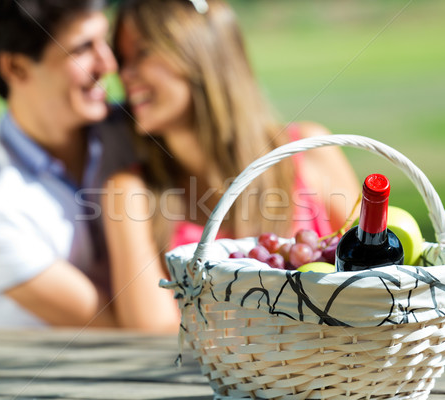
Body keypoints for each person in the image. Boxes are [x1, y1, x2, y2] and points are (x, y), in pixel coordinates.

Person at [101, 0, 360, 317]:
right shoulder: (132, 192)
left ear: (201, 54)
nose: (124, 75)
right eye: (122, 59)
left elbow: (380, 281)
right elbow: (152, 333)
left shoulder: (309, 151)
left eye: (142, 53)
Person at [0, 0, 178, 331]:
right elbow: (120, 334)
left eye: (104, 41)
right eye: (83, 48)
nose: (109, 64)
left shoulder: (137, 131)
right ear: (15, 68)